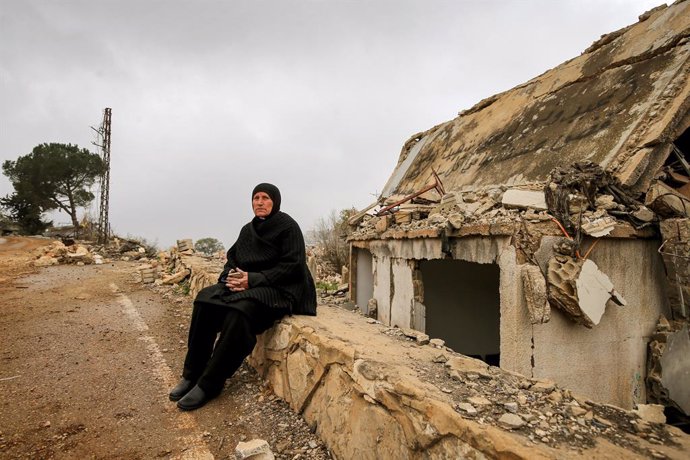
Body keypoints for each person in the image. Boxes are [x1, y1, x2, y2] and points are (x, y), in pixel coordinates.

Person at [169, 183, 317, 411]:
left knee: (240, 313)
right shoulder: (248, 230)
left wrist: (254, 279)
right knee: (205, 300)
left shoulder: (288, 227)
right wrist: (232, 277)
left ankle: (210, 383)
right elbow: (232, 258)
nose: (259, 202)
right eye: (255, 198)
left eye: (265, 198)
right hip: (250, 283)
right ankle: (192, 374)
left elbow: (293, 266)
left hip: (280, 288)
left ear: (275, 201)